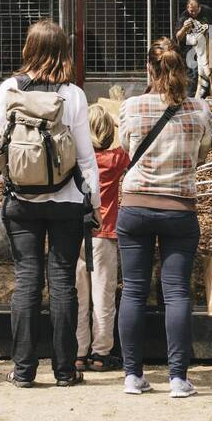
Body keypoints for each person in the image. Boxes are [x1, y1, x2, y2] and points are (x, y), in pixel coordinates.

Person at [0, 19, 101, 388]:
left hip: (21, 201)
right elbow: (85, 157)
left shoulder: (8, 89)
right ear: (63, 51)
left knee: (27, 280)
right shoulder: (74, 95)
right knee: (63, 280)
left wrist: (14, 173)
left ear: (28, 49)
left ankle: (23, 370)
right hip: (66, 200)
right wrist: (93, 201)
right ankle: (66, 370)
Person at [117, 38, 212, 398]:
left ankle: (132, 375)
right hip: (179, 209)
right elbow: (202, 154)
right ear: (184, 72)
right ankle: (177, 378)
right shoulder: (199, 110)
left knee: (135, 291)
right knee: (176, 292)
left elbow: (128, 149)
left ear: (148, 70)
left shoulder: (131, 106)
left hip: (135, 206)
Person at [80, 104, 129, 372]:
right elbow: (133, 142)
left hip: (75, 234)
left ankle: (77, 352)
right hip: (105, 233)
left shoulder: (74, 160)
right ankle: (101, 353)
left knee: (78, 296)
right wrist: (115, 121)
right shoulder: (116, 159)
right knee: (104, 295)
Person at [175, 0, 212, 99]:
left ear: (199, 7)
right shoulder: (184, 17)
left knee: (208, 73)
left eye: (195, 11)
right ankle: (192, 99)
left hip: (207, 48)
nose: (193, 13)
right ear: (187, 8)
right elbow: (178, 37)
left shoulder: (207, 12)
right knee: (194, 74)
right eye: (191, 11)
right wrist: (184, 28)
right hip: (191, 50)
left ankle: (206, 99)